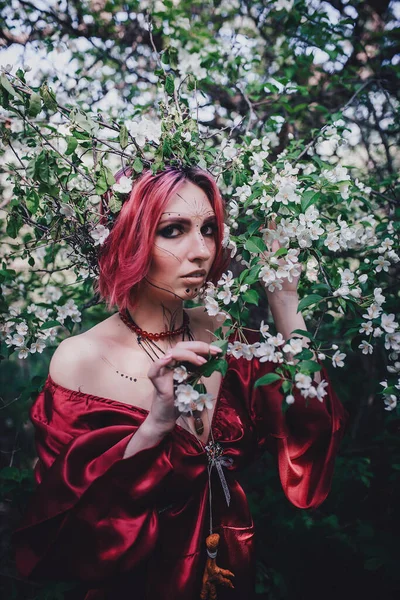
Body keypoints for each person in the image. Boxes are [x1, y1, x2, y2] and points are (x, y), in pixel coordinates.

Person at [14, 166, 347, 600]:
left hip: (230, 571)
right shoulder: (81, 360)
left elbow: (310, 424)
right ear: (128, 238)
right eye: (173, 230)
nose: (202, 251)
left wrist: (285, 301)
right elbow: (73, 527)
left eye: (208, 229)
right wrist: (155, 424)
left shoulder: (220, 329)